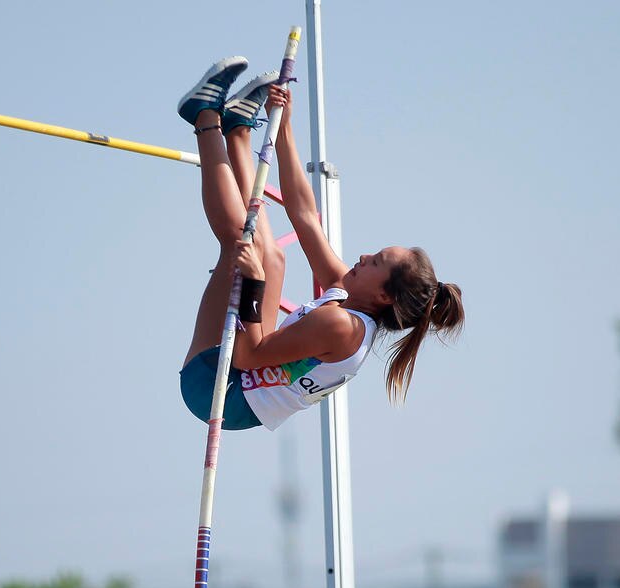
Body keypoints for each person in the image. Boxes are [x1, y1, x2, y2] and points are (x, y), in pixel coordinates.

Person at [177, 58, 465, 431]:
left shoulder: (341, 326)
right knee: (274, 258)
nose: (363, 256)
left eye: (375, 261)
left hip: (218, 390)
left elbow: (249, 356)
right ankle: (237, 131)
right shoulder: (349, 297)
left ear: (384, 296)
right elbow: (305, 216)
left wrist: (252, 284)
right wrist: (284, 127)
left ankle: (204, 117)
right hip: (245, 365)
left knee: (241, 251)